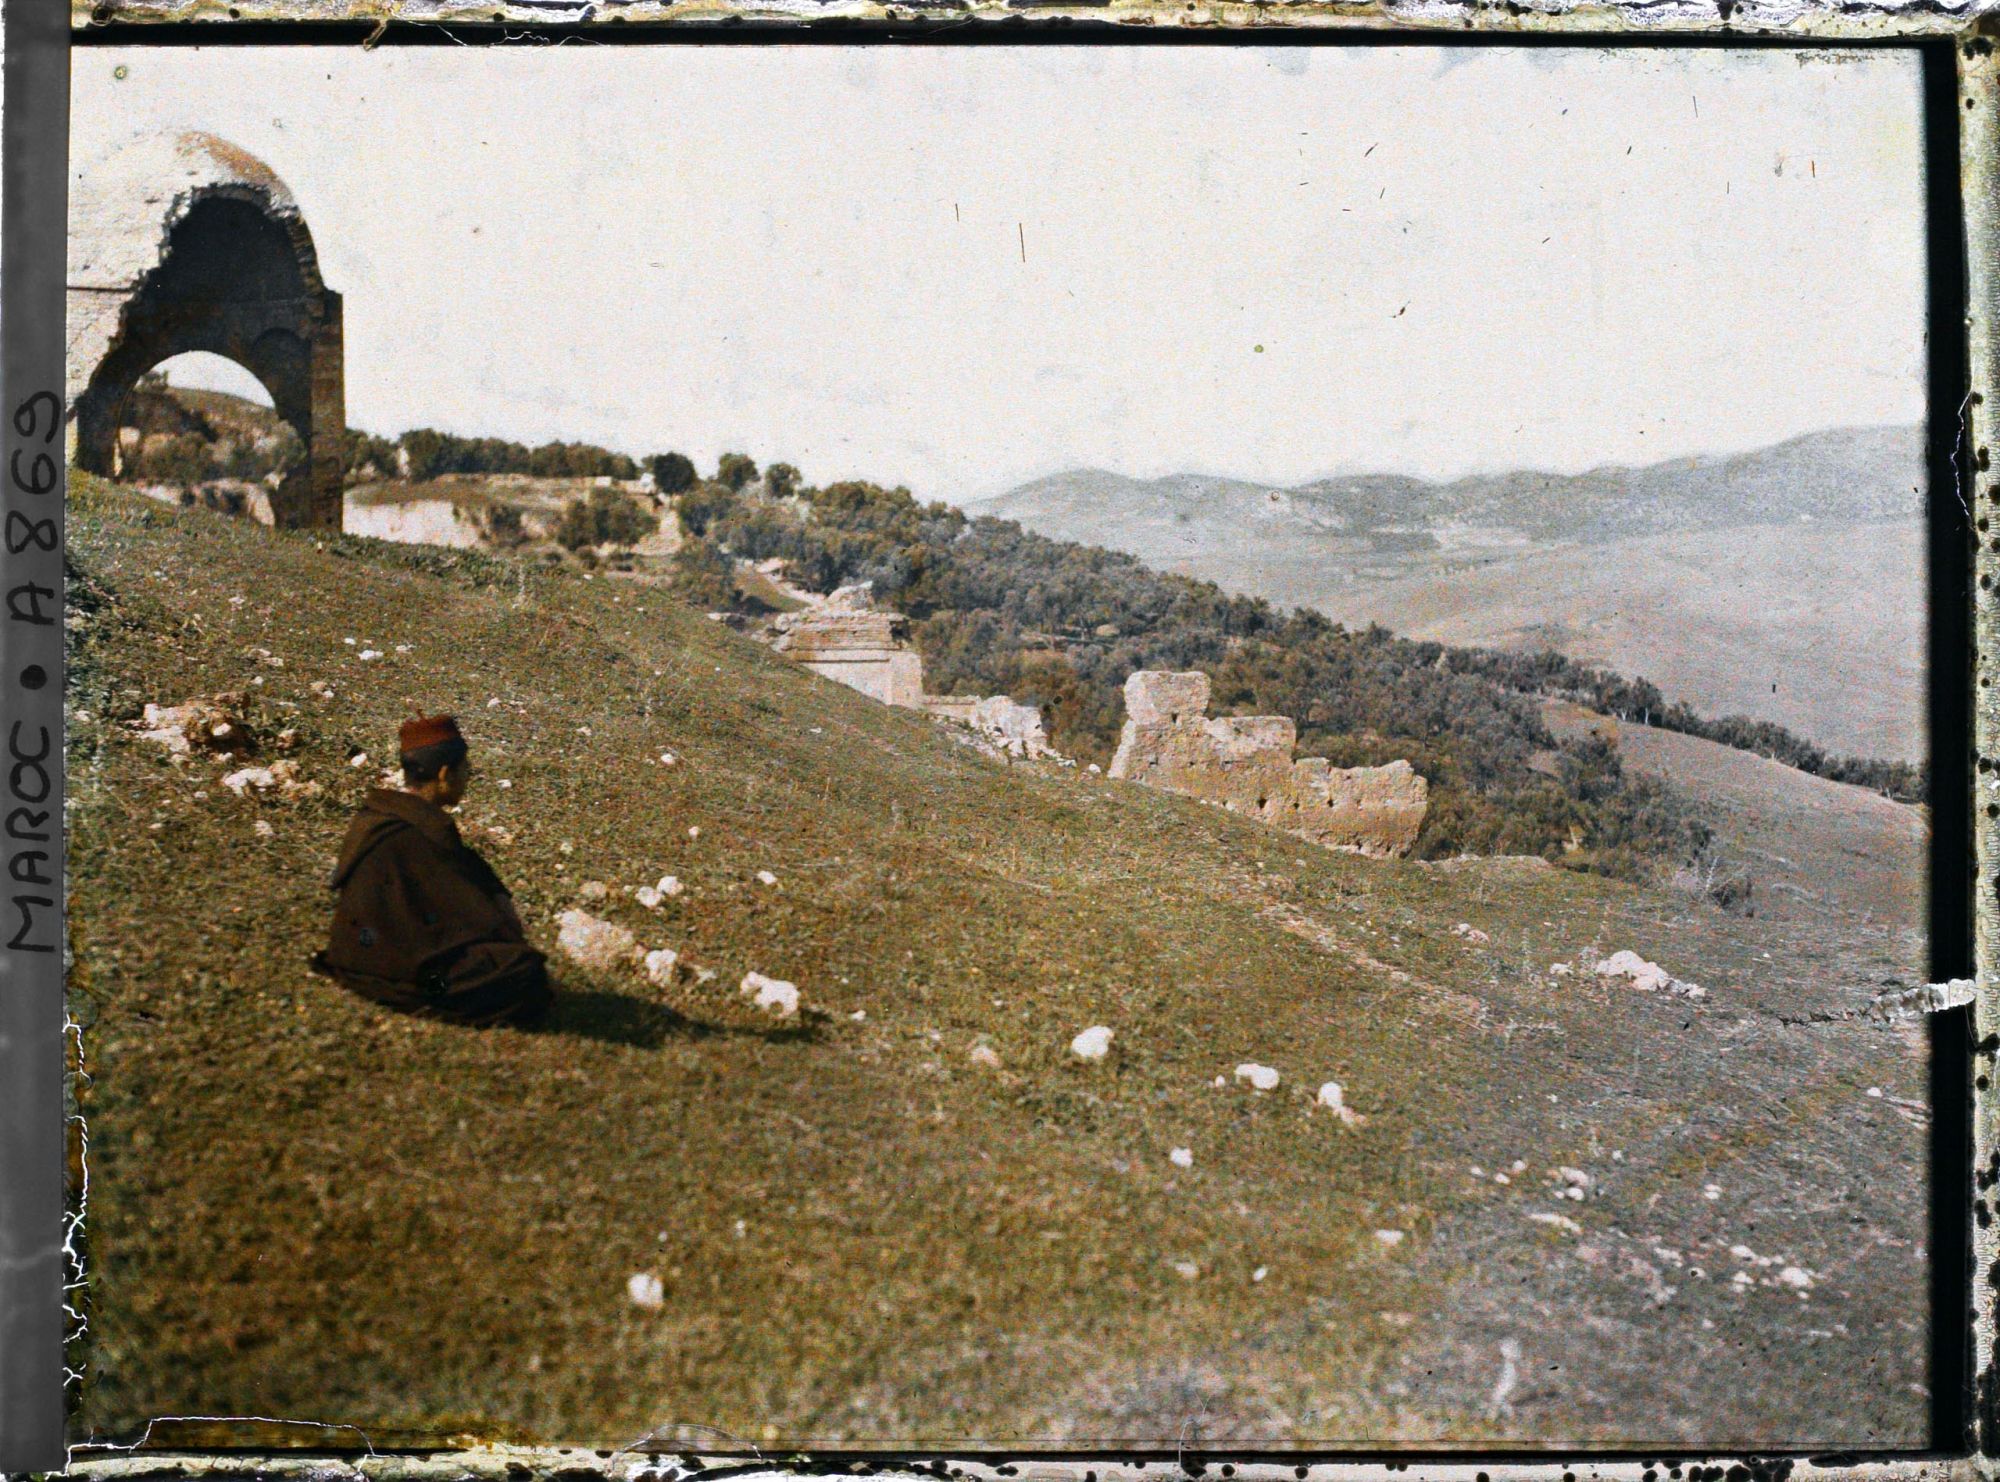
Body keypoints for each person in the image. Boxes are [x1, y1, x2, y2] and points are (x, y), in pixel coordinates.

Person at [311, 714, 551, 1026]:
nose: (468, 776)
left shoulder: (379, 815)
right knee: (525, 974)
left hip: (354, 957)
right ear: (444, 774)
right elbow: (468, 913)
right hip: (400, 971)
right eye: (465, 769)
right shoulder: (421, 831)